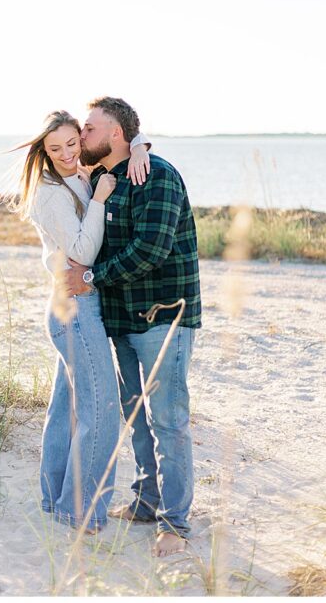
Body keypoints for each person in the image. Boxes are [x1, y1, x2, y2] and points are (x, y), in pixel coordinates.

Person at [64, 97, 202, 558]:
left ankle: (175, 523)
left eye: (88, 129)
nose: (82, 136)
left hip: (164, 317)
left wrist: (88, 278)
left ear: (117, 135)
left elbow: (151, 250)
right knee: (136, 416)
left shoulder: (156, 174)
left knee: (168, 420)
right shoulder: (103, 179)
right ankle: (146, 501)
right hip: (119, 321)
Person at [15, 111, 150, 533]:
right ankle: (80, 511)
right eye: (55, 149)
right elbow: (82, 253)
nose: (67, 154)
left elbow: (120, 133)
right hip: (73, 308)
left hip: (76, 306)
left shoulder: (80, 171)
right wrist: (98, 200)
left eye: (72, 143)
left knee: (67, 412)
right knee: (102, 410)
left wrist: (141, 144)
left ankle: (55, 500)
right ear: (43, 150)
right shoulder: (52, 192)